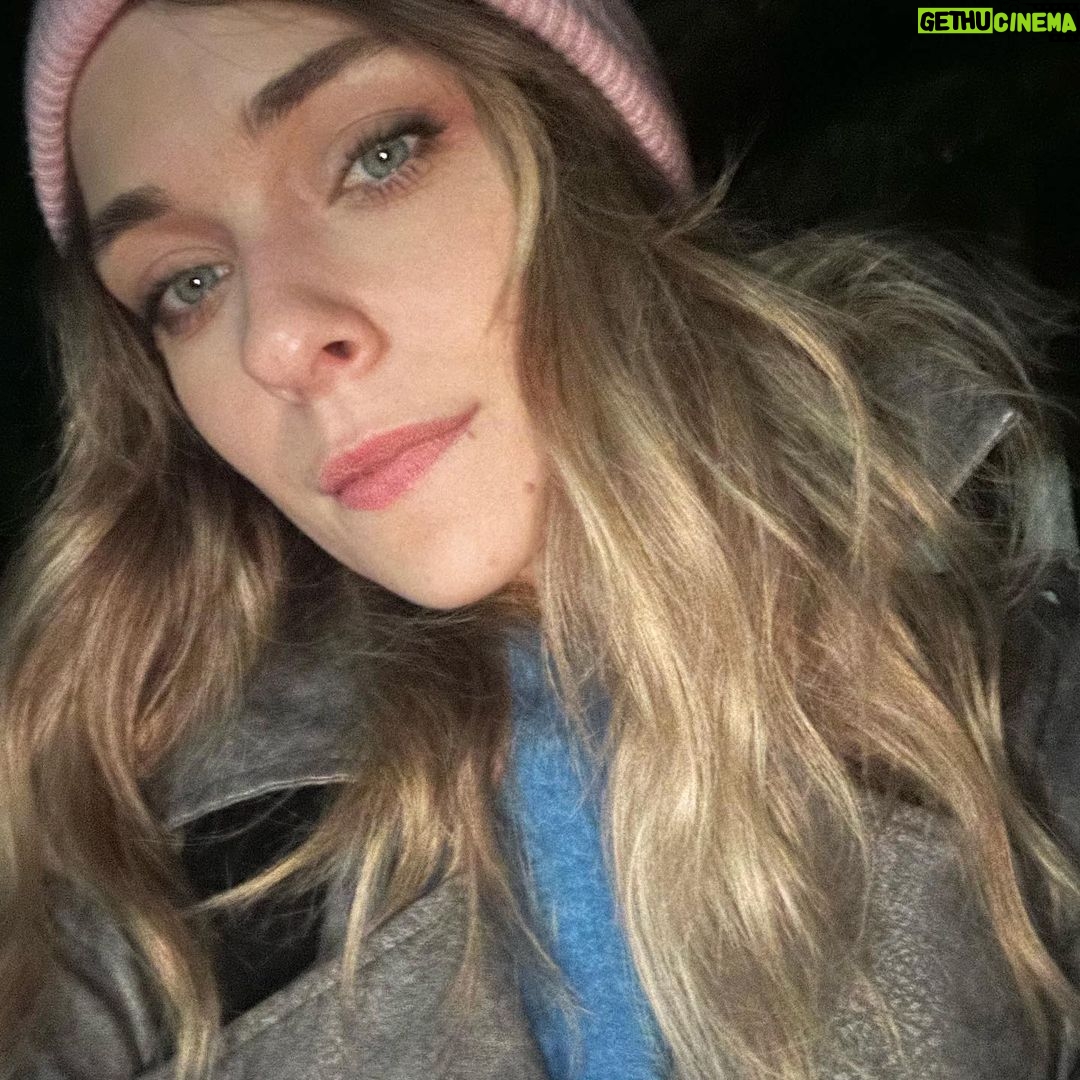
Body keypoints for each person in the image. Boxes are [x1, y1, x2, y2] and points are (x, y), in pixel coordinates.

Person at [5, 0, 1080, 1076]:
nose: (275, 340)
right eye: (187, 284)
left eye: (378, 156)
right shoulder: (127, 812)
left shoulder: (992, 617)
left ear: (583, 144)